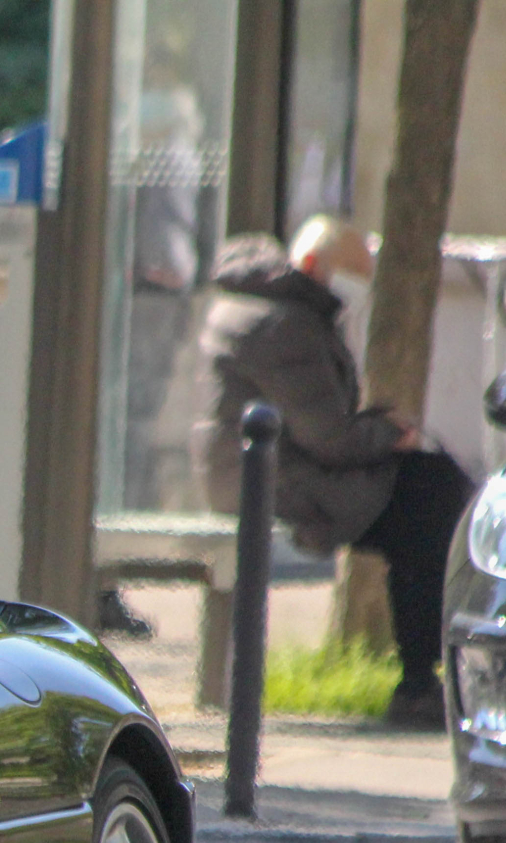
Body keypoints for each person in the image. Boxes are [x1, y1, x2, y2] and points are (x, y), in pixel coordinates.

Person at [194, 216, 475, 727]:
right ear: (309, 266)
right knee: (429, 498)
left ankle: (421, 679)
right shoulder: (283, 324)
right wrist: (393, 435)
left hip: (268, 467)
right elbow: (329, 437)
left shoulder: (267, 307)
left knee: (427, 491)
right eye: (348, 275)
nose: (352, 293)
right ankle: (419, 684)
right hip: (269, 477)